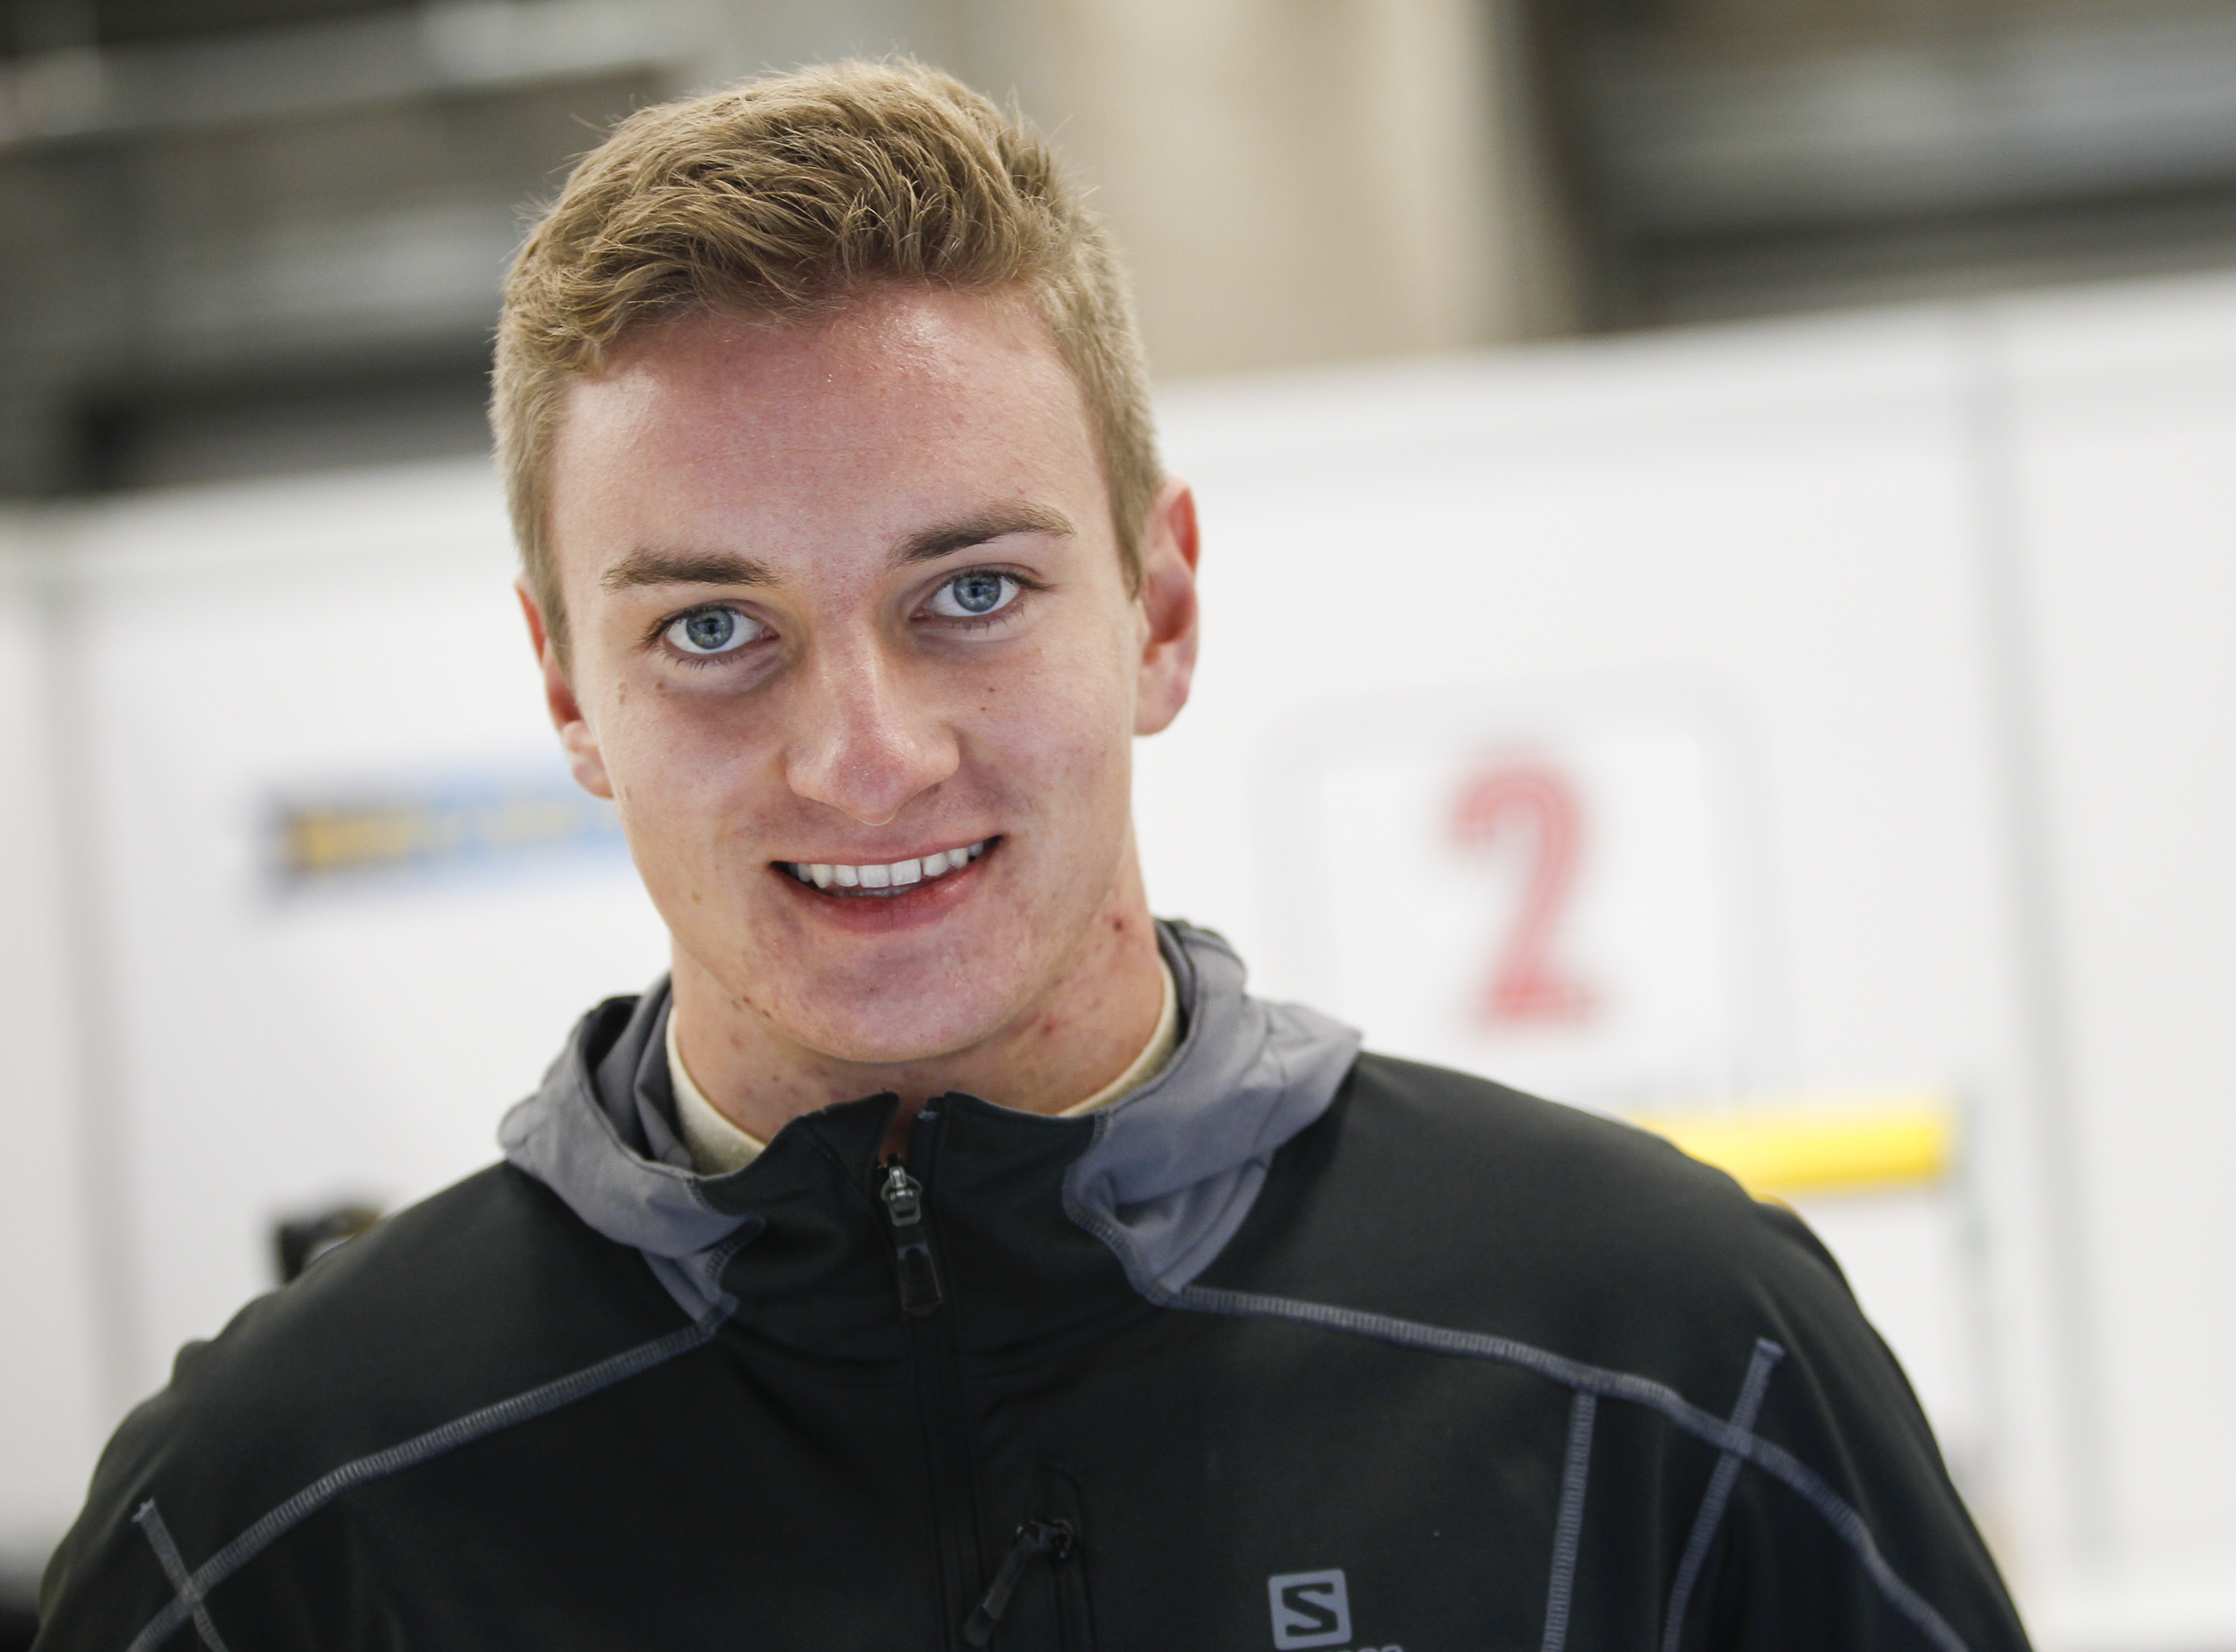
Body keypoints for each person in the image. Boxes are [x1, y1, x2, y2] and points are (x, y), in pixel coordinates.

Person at [37, 62, 2032, 1652]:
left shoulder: (1660, 1355)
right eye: (714, 628)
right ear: (570, 690)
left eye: (971, 591)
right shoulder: (278, 1515)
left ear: (1159, 609)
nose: (865, 756)